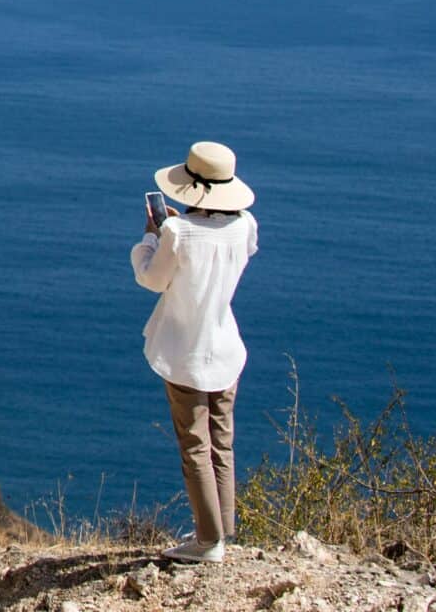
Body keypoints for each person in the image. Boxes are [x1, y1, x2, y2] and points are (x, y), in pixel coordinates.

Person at [131, 140, 258, 564]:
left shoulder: (176, 231)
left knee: (194, 446)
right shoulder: (245, 226)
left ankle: (207, 542)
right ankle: (223, 529)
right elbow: (235, 252)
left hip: (186, 352)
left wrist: (150, 239)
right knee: (222, 441)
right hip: (225, 347)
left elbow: (152, 278)